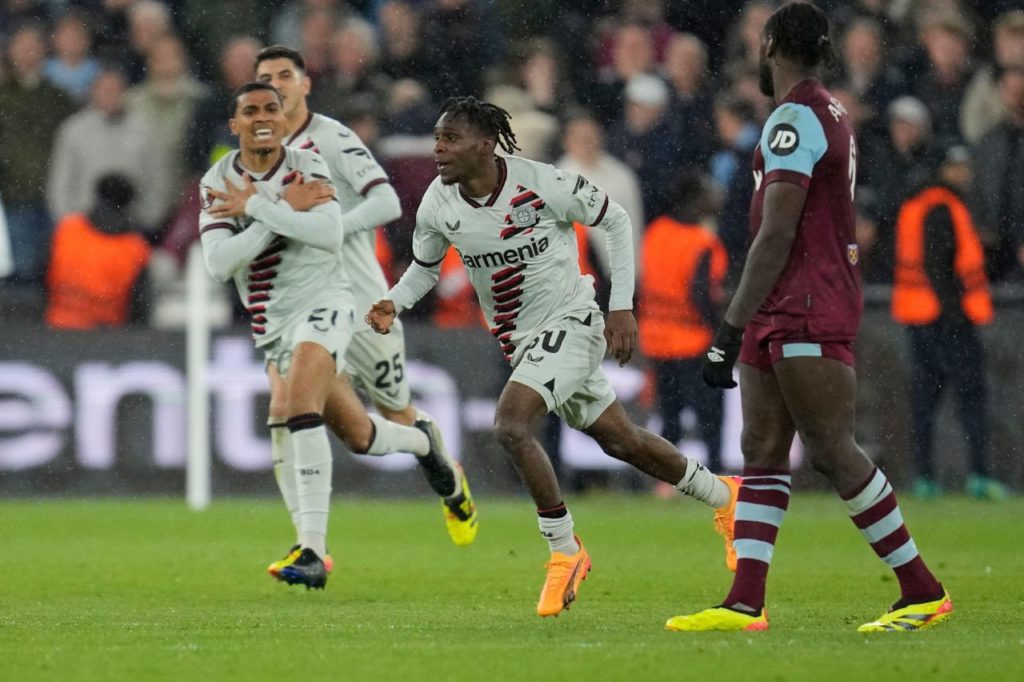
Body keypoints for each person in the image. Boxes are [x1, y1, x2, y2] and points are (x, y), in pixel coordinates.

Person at [365, 95, 739, 618]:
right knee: (621, 439)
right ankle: (726, 497)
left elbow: (615, 219)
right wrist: (393, 302)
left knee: (512, 424)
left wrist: (622, 307)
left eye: (451, 139)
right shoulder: (437, 203)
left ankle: (565, 550)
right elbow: (426, 269)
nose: (439, 149)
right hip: (522, 341)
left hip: (574, 321)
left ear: (486, 144)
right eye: (437, 139)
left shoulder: (540, 183)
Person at [666, 2, 952, 634]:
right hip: (786, 300)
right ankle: (745, 601)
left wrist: (730, 324)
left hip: (803, 300)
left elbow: (777, 231)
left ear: (769, 45)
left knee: (829, 446)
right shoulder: (826, 109)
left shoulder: (793, 117)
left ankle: (922, 589)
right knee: (762, 449)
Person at [198, 82, 469, 591]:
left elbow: (326, 233)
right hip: (271, 322)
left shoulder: (308, 165)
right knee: (358, 434)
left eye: (271, 109)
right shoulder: (217, 180)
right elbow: (218, 263)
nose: (262, 117)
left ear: (283, 119)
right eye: (249, 110)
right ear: (234, 125)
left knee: (295, 405)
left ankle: (314, 552)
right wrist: (276, 211)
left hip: (327, 303)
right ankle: (421, 441)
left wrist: (255, 208)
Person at [891, 145, 1007, 501]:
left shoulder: (918, 202)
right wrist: (955, 316)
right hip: (946, 320)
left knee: (925, 399)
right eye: (957, 167)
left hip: (919, 317)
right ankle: (978, 474)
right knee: (970, 396)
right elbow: (939, 266)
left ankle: (925, 476)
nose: (964, 173)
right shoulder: (943, 206)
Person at [638, 170, 727, 473]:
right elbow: (700, 294)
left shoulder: (655, 232)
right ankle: (715, 471)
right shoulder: (701, 241)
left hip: (655, 337)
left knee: (669, 413)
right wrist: (721, 333)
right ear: (694, 200)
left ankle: (667, 478)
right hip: (692, 339)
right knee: (709, 414)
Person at [46, 174, 151, 329]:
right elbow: (139, 304)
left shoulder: (67, 229)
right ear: (129, 204)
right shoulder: (136, 247)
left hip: (58, 326)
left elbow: (42, 276)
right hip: (108, 335)